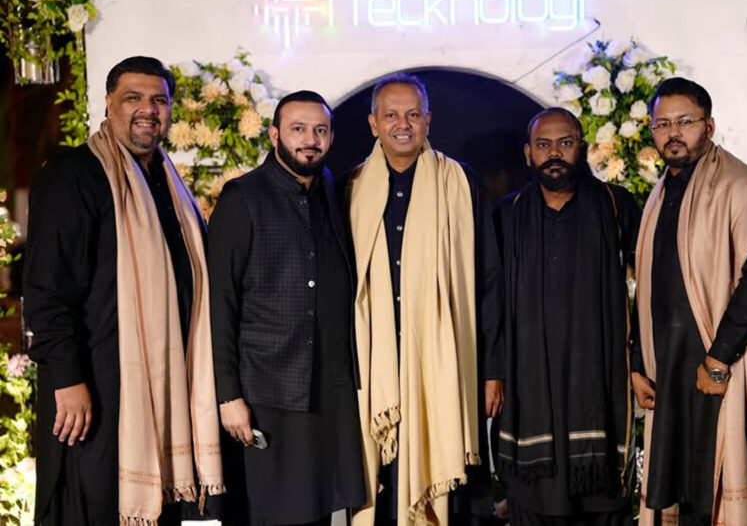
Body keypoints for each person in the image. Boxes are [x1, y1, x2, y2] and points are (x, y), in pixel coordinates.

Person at [23, 56, 224, 526]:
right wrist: (68, 379)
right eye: (133, 98)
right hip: (97, 385)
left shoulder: (167, 183)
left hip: (162, 386)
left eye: (159, 100)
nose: (147, 110)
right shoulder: (74, 174)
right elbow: (47, 289)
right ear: (109, 103)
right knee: (96, 506)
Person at [632, 77, 747, 525]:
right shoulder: (661, 193)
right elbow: (649, 285)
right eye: (662, 124)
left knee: (717, 490)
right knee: (682, 493)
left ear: (708, 126)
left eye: (684, 122)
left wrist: (718, 359)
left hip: (720, 361)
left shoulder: (740, 184)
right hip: (669, 365)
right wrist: (639, 362)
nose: (673, 133)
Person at [343, 73, 505, 525]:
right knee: (382, 487)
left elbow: (489, 279)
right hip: (375, 366)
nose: (403, 124)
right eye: (391, 115)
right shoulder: (349, 188)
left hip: (443, 360)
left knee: (457, 494)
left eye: (413, 114)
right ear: (373, 123)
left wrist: (492, 370)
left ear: (428, 121)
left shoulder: (461, 183)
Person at [207, 90, 365, 526]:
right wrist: (228, 395)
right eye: (298, 129)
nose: (309, 140)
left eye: (320, 130)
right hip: (264, 392)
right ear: (275, 135)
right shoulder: (242, 197)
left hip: (325, 391)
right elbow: (219, 303)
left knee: (318, 513)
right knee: (267, 513)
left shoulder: (332, 188)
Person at [494, 108, 640, 526]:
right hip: (527, 383)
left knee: (602, 502)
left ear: (583, 148)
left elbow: (650, 287)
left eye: (565, 143)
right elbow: (489, 302)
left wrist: (640, 361)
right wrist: (492, 373)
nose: (554, 153)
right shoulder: (507, 214)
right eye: (543, 145)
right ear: (528, 153)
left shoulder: (616, 205)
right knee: (534, 502)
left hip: (599, 379)